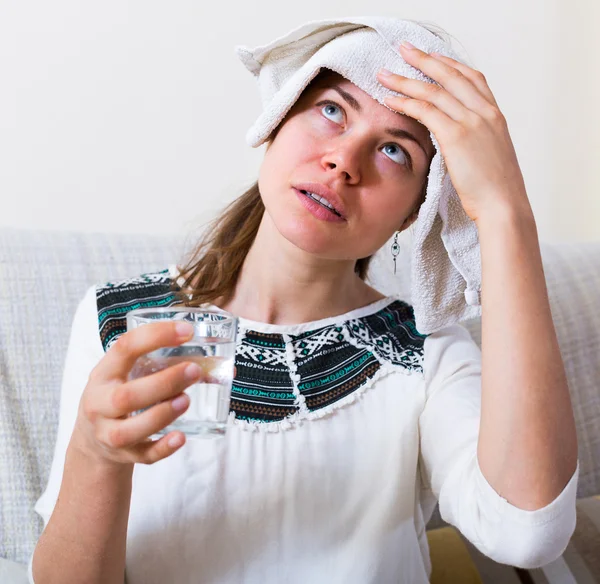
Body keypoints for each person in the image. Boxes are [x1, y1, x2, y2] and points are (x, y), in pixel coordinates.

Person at [28, 19, 579, 584]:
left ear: (413, 212)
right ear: (278, 117)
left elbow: (526, 531)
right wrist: (97, 455)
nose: (344, 161)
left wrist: (504, 212)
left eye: (394, 150)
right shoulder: (124, 320)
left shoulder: (424, 351)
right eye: (333, 110)